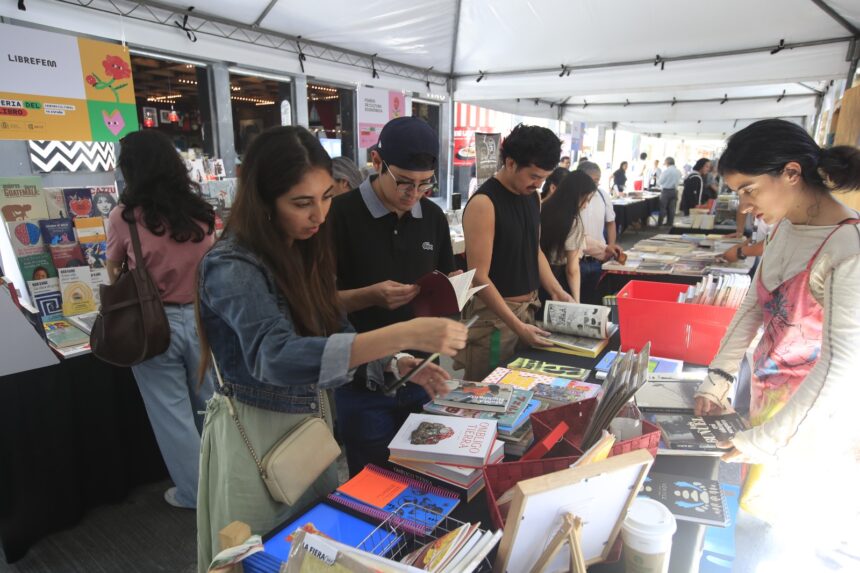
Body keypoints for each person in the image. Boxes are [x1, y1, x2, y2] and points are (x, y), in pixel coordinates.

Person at [195, 126, 466, 570]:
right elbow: (276, 356)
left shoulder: (303, 248)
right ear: (262, 200)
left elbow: (333, 330)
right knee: (260, 553)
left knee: (313, 547)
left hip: (313, 427)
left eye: (325, 197)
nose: (319, 214)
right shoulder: (231, 264)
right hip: (257, 434)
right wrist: (403, 334)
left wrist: (396, 361)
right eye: (302, 203)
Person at [693, 119, 860, 568]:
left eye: (749, 190)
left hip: (812, 425)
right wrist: (719, 378)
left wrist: (770, 439)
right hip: (767, 403)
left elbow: (843, 364)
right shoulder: (785, 226)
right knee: (751, 525)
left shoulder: (848, 247)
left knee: (774, 541)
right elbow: (753, 304)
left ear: (790, 172)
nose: (744, 204)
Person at [328, 116, 460, 476]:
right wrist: (368, 296)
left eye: (423, 184)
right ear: (376, 162)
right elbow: (318, 303)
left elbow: (444, 278)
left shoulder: (432, 217)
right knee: (372, 483)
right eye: (403, 182)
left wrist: (454, 288)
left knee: (424, 476)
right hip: (362, 382)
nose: (413, 193)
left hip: (422, 372)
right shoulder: (339, 215)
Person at [105, 130, 217, 510]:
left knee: (172, 416)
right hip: (203, 321)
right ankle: (223, 482)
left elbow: (114, 272)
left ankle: (194, 494)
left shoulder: (124, 217)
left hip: (153, 326)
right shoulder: (201, 211)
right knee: (211, 407)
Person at [455, 124, 573, 381]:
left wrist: (556, 290)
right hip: (495, 321)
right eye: (533, 176)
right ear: (510, 163)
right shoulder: (484, 203)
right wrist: (516, 326)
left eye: (544, 177)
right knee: (487, 390)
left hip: (528, 310)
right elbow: (479, 277)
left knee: (520, 387)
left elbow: (535, 250)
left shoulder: (533, 198)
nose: (539, 184)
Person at [539, 171, 599, 303]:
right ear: (577, 196)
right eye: (586, 199)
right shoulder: (573, 222)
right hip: (559, 280)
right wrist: (576, 301)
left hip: (536, 278)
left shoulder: (541, 209)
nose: (586, 205)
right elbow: (572, 269)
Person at [576, 161, 623, 304]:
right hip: (576, 259)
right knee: (576, 300)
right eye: (594, 180)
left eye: (598, 180)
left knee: (594, 300)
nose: (596, 184)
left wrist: (611, 245)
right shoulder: (574, 196)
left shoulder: (602, 195)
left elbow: (611, 222)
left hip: (598, 259)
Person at [656, 157, 683, 226]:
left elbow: (659, 182)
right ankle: (669, 223)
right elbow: (680, 180)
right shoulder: (678, 171)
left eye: (665, 163)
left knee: (663, 208)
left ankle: (660, 223)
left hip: (666, 191)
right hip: (674, 191)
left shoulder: (666, 171)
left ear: (667, 162)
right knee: (672, 209)